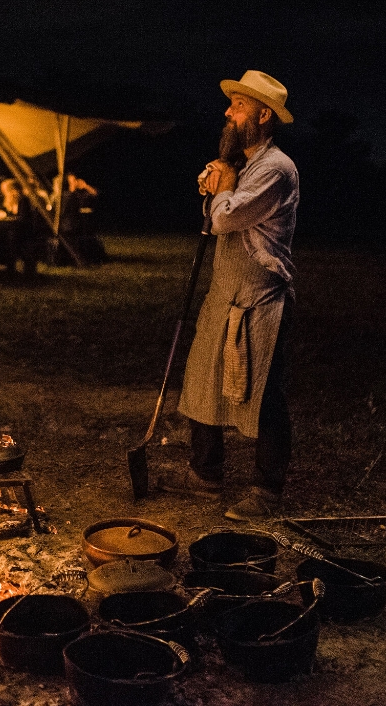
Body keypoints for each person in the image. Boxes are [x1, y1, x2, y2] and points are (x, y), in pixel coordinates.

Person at [164, 70, 300, 522]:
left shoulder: (276, 169)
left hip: (260, 296)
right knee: (204, 375)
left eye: (238, 106)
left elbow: (225, 218)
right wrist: (218, 180)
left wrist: (221, 189)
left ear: (263, 115)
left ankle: (267, 488)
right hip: (225, 292)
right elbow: (212, 200)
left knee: (263, 390)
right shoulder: (244, 165)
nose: (228, 111)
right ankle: (206, 473)